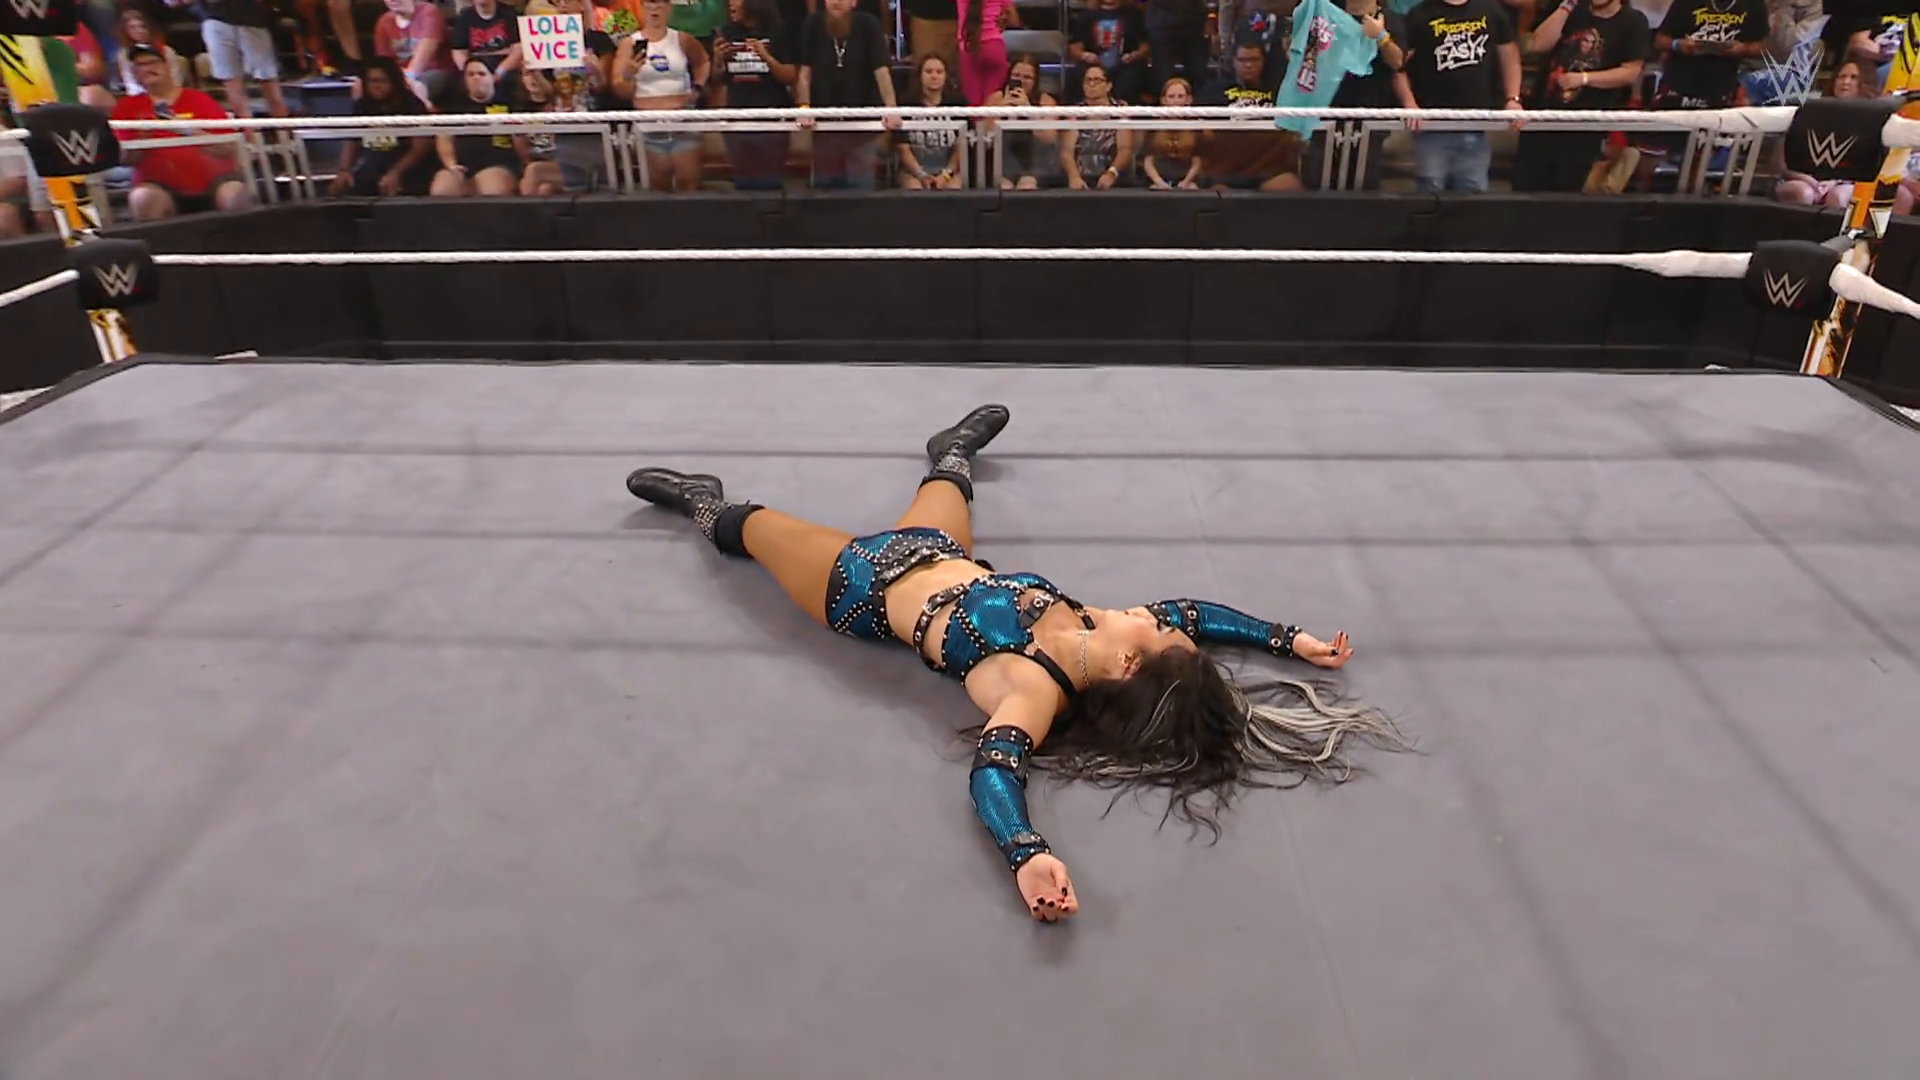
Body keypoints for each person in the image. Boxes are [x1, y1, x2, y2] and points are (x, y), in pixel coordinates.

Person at [626, 406, 1408, 923]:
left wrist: (1026, 854)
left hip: (857, 586)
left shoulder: (1034, 687)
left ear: (1128, 665)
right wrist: (1287, 638)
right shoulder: (1109, 628)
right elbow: (1198, 616)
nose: (1156, 615)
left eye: (1154, 632)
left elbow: (995, 773)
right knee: (946, 478)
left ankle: (701, 500)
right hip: (936, 551)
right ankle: (952, 450)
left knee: (748, 525)